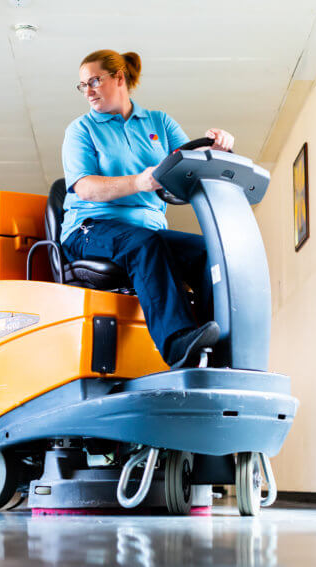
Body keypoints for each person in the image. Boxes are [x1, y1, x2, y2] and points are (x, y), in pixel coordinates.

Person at [60, 49, 235, 368]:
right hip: (90, 229)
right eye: (82, 85)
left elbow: (189, 167)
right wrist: (138, 183)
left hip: (146, 233)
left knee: (208, 251)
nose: (88, 91)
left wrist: (219, 146)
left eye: (95, 81)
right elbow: (85, 187)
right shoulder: (81, 130)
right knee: (144, 244)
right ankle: (177, 342)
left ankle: (217, 346)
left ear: (119, 78)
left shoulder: (158, 122)